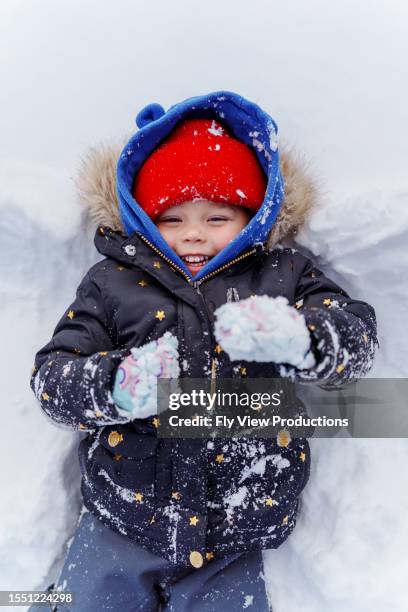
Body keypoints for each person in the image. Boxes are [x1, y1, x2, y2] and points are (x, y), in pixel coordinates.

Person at [29, 91, 378, 611]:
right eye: (172, 219)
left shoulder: (281, 274)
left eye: (217, 219)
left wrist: (301, 337)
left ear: (253, 218)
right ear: (146, 222)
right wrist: (116, 387)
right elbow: (53, 379)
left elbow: (358, 338)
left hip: (235, 526)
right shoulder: (113, 282)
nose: (194, 233)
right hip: (124, 517)